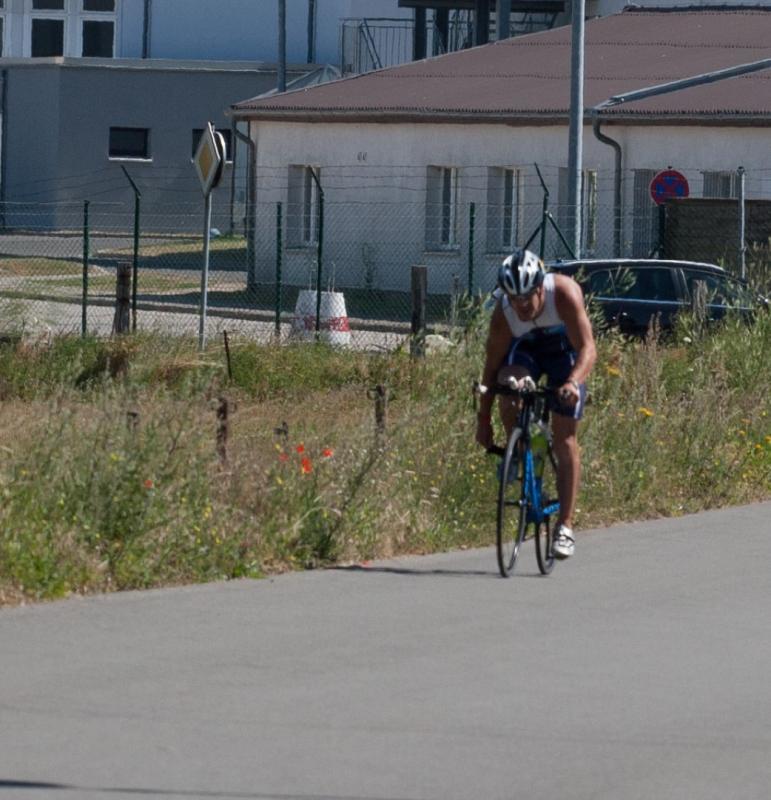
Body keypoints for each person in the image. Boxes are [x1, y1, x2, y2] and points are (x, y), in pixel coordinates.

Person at [475, 249, 596, 559]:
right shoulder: (504, 315)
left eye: (527, 296)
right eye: (514, 298)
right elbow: (490, 369)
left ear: (541, 287)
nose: (521, 305)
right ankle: (520, 449)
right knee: (507, 383)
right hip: (526, 352)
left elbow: (588, 349)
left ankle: (565, 526)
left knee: (565, 438)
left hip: (564, 355)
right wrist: (483, 420)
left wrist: (572, 383)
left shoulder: (564, 294)